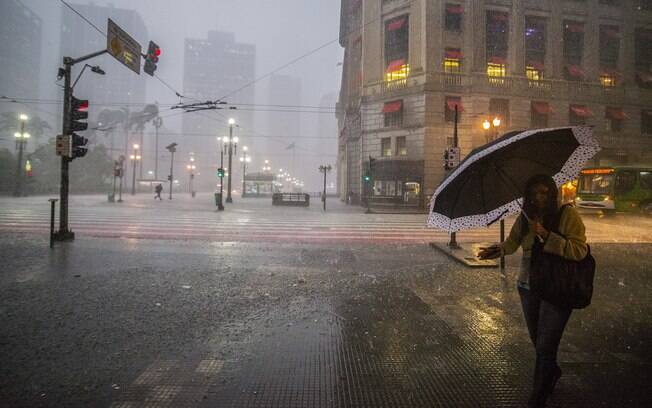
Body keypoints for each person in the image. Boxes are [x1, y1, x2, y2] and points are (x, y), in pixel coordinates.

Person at [478, 174, 588, 408]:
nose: (539, 198)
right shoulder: (525, 217)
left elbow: (579, 251)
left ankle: (538, 395)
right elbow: (512, 243)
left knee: (546, 345)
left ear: (552, 193)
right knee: (538, 341)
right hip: (528, 286)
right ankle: (552, 371)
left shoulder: (567, 215)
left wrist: (547, 235)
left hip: (557, 288)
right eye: (534, 193)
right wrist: (497, 250)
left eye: (544, 192)